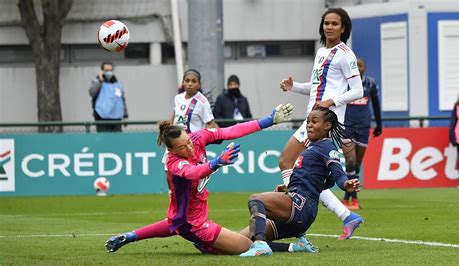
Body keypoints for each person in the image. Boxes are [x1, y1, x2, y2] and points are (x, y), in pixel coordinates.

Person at [105, 103, 301, 255]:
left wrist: (269, 120)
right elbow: (193, 173)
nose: (189, 147)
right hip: (195, 224)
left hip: (188, 220)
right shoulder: (173, 163)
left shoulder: (198, 138)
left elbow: (231, 131)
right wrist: (216, 162)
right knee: (247, 245)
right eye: (182, 147)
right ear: (171, 150)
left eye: (188, 141)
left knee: (244, 235)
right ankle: (293, 248)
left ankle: (208, 246)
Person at [278, 7, 364, 240]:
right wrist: (294, 86)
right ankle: (347, 216)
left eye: (335, 24)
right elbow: (317, 88)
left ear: (343, 28)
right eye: (326, 23)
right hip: (313, 117)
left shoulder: (346, 54)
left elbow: (358, 90)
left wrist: (332, 101)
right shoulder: (321, 52)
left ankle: (298, 207)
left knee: (287, 161)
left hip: (327, 121)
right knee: (306, 175)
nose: (329, 27)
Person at [240, 107, 361, 256]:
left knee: (256, 199)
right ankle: (295, 247)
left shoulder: (326, 147)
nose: (309, 124)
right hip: (299, 211)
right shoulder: (313, 147)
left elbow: (337, 173)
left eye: (314, 121)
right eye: (308, 121)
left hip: (301, 206)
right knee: (242, 241)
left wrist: (345, 184)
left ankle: (260, 245)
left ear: (327, 125)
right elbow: (324, 182)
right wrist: (288, 188)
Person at [341, 58, 383, 210]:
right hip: (346, 126)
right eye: (356, 65)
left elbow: (376, 105)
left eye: (361, 65)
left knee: (357, 165)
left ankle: (346, 199)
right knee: (350, 161)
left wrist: (379, 124)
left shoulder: (370, 83)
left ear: (365, 68)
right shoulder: (343, 83)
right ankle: (355, 199)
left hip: (364, 126)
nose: (358, 68)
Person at [89, 62, 128, 132]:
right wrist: (100, 80)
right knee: (103, 140)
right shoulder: (96, 82)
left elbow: (122, 100)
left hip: (116, 117)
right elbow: (92, 93)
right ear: (102, 71)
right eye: (106, 70)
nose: (109, 72)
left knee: (117, 141)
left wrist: (125, 115)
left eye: (110, 70)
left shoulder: (118, 84)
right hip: (101, 117)